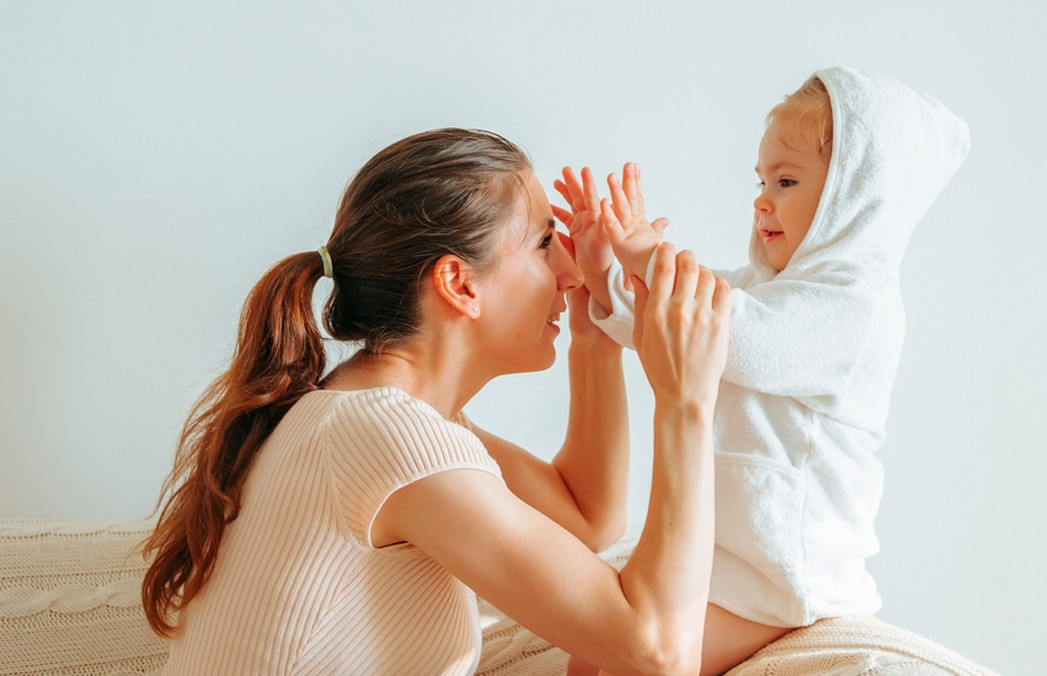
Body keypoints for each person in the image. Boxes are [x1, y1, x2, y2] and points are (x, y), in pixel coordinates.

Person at [140, 127, 733, 675]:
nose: (570, 270)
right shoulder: (389, 439)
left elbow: (587, 520)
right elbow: (657, 652)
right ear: (459, 284)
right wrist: (685, 402)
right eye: (546, 242)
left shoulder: (362, 414)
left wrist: (594, 336)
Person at [556, 66, 972, 674]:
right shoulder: (765, 289)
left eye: (786, 180)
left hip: (788, 577)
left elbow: (734, 339)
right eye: (760, 180)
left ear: (853, 198)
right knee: (589, 655)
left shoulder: (856, 307)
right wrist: (608, 278)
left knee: (621, 661)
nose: (761, 200)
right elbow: (669, 329)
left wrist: (649, 253)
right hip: (725, 559)